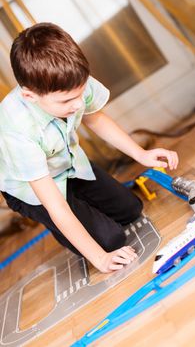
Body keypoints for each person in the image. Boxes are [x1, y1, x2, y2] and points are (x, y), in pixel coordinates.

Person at [0, 23, 178, 273]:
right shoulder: (16, 131)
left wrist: (141, 153)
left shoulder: (72, 80)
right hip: (32, 189)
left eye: (81, 94)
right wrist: (100, 258)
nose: (78, 104)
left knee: (131, 209)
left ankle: (81, 202)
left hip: (67, 164)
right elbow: (55, 205)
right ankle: (74, 225)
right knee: (110, 241)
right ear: (30, 96)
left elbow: (96, 118)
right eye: (67, 101)